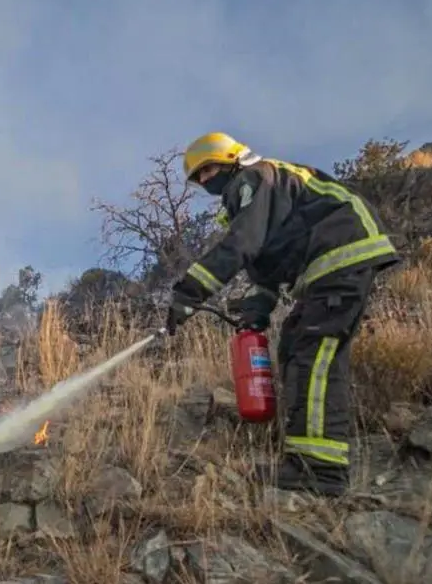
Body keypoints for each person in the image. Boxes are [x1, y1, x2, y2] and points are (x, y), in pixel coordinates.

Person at [165, 131, 400, 496]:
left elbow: (243, 242)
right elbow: (267, 264)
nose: (204, 181)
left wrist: (189, 291)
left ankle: (321, 470)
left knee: (313, 355)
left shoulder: (256, 177)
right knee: (295, 348)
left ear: (228, 158)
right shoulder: (259, 191)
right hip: (326, 266)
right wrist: (256, 309)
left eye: (207, 170)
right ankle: (308, 459)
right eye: (197, 178)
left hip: (341, 253)